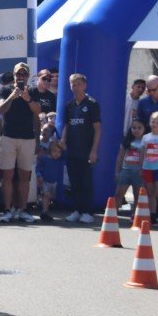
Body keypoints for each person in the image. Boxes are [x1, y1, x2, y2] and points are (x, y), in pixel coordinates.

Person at [0, 62, 40, 223]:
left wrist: (27, 99)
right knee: (7, 175)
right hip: (8, 137)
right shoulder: (5, 90)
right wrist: (12, 96)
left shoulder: (33, 91)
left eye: (24, 74)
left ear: (28, 76)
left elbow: (37, 111)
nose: (21, 77)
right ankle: (7, 210)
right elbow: (1, 109)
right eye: (18, 74)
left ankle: (22, 209)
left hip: (27, 138)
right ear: (14, 76)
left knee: (24, 175)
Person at [60, 73, 101, 224]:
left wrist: (94, 150)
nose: (75, 87)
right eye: (72, 84)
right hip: (72, 150)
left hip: (86, 150)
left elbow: (97, 129)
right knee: (74, 182)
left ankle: (87, 212)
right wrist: (63, 140)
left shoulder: (92, 104)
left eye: (77, 84)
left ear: (84, 85)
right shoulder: (69, 106)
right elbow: (67, 126)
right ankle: (77, 210)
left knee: (86, 182)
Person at [115, 119, 145, 213]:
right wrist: (117, 172)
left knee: (137, 196)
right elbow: (120, 157)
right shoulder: (126, 141)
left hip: (138, 172)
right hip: (126, 171)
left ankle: (134, 216)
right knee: (118, 194)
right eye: (134, 128)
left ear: (144, 129)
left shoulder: (146, 141)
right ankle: (113, 213)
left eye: (139, 128)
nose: (136, 130)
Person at [36, 141, 64, 222]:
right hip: (45, 181)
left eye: (59, 152)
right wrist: (39, 175)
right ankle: (44, 212)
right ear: (50, 151)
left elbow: (65, 155)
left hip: (54, 182)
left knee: (50, 196)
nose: (57, 154)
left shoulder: (59, 160)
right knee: (46, 196)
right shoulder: (45, 159)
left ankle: (45, 209)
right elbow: (38, 168)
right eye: (54, 151)